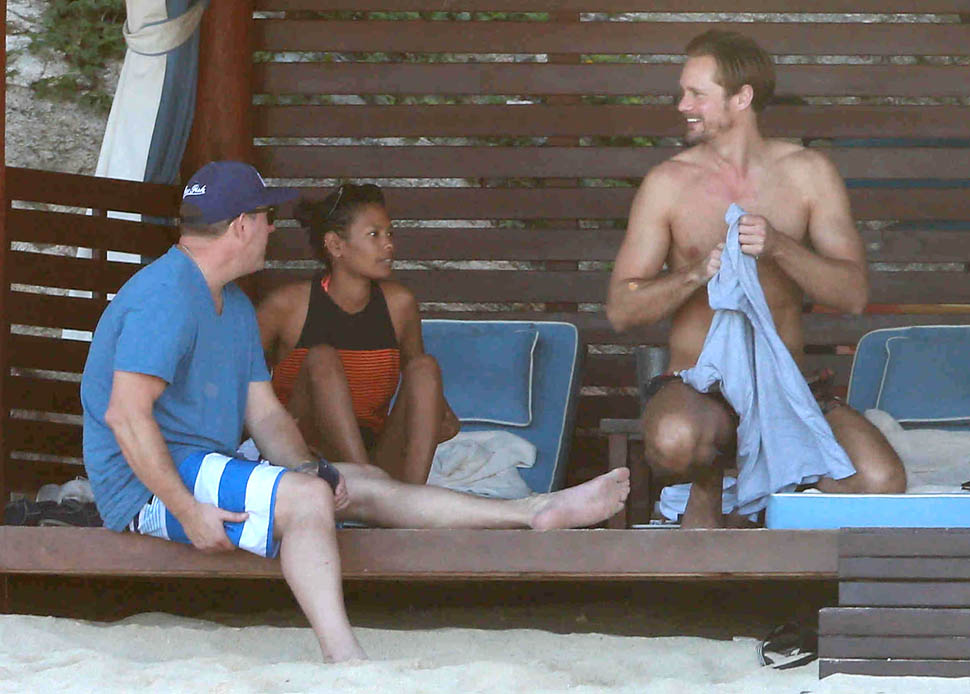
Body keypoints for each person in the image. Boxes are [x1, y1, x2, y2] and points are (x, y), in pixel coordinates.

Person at [81, 160, 631, 662]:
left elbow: (266, 415)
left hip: (200, 465)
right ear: (242, 225)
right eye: (269, 218)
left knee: (359, 481)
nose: (273, 230)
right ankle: (345, 658)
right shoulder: (167, 295)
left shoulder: (235, 304)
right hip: (146, 488)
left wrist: (309, 466)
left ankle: (532, 511)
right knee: (306, 500)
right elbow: (126, 416)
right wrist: (187, 510)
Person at [605, 30, 905, 529]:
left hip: (788, 388)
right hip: (699, 388)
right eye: (682, 93)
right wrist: (696, 273)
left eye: (697, 94)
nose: (682, 106)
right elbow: (622, 308)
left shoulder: (808, 173)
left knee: (879, 480)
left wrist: (780, 247)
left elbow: (852, 294)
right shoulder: (667, 183)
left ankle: (750, 505)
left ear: (741, 98)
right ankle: (711, 489)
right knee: (677, 440)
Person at [257, 184, 458, 485]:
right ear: (335, 245)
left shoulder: (399, 305)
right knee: (321, 357)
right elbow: (238, 384)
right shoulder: (286, 306)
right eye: (374, 235)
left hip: (375, 451)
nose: (388, 245)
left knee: (424, 366)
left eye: (390, 234)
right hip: (305, 460)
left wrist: (440, 416)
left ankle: (409, 497)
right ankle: (371, 488)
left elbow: (422, 386)